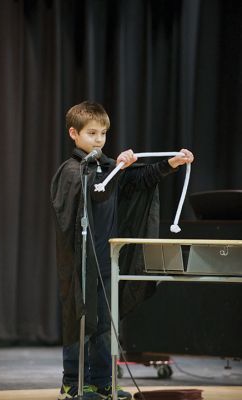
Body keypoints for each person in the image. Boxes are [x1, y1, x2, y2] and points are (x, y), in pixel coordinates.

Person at [50, 101, 194, 400]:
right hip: (81, 262)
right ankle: (73, 382)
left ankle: (102, 381)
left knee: (105, 323)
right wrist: (117, 169)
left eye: (103, 133)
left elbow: (137, 181)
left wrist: (171, 164)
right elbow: (96, 192)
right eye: (92, 133)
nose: (99, 140)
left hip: (108, 258)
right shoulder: (72, 171)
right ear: (73, 134)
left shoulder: (106, 166)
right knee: (82, 319)